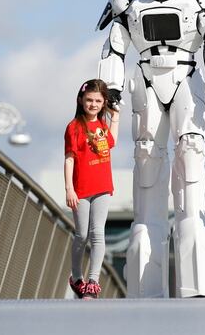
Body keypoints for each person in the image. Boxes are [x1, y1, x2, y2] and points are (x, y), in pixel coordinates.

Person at [95, 0, 205, 298]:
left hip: (185, 78)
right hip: (145, 81)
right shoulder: (130, 2)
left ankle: (195, 273)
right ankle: (147, 281)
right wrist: (111, 88)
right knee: (146, 159)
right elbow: (114, 47)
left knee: (191, 156)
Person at [64, 79, 119, 299]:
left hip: (103, 187)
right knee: (81, 235)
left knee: (98, 234)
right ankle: (77, 277)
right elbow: (69, 159)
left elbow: (111, 142)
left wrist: (116, 117)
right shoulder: (74, 127)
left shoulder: (103, 126)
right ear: (81, 100)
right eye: (89, 100)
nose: (93, 104)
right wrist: (69, 189)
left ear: (103, 102)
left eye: (98, 101)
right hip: (81, 189)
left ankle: (93, 281)